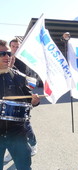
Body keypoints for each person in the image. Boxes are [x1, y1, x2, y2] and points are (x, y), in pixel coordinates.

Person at [0, 39, 40, 169]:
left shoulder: (18, 76)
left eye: (8, 53)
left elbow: (29, 99)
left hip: (17, 131)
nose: (6, 56)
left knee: (24, 166)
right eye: (2, 54)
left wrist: (34, 101)